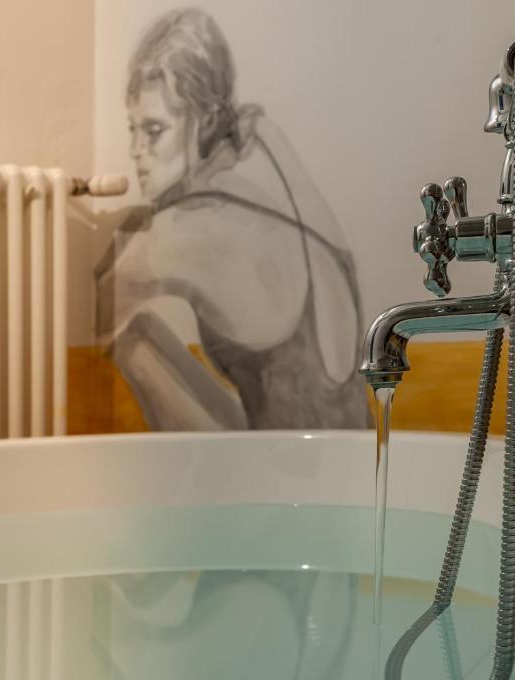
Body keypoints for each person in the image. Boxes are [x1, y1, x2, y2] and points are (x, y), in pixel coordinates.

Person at [95, 8, 367, 430]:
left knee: (130, 334)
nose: (134, 150)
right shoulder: (269, 155)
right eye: (132, 130)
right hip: (348, 475)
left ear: (205, 121)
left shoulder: (192, 229)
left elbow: (98, 302)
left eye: (153, 131)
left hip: (286, 487)